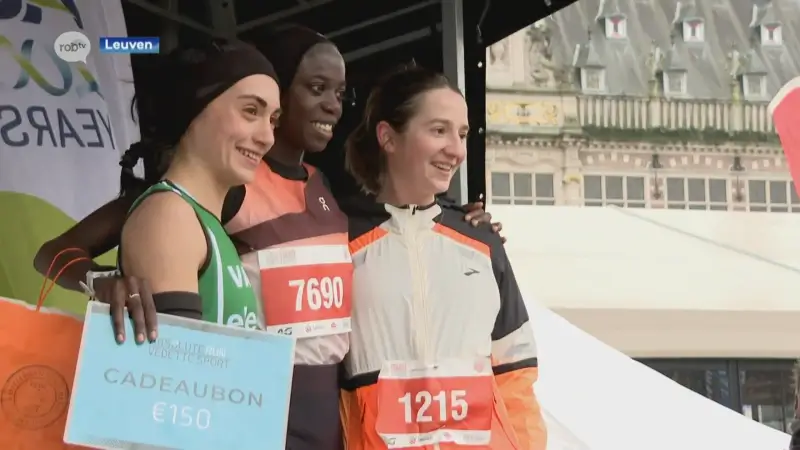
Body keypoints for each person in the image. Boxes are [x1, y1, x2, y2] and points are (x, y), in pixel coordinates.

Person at [32, 25, 500, 450]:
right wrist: (99, 281)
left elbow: (389, 228)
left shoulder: (324, 187)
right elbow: (61, 250)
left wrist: (460, 221)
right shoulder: (218, 189)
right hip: (251, 415)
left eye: (340, 92)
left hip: (329, 423)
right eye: (315, 88)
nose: (332, 104)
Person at [339, 65, 547, 449]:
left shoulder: (483, 243)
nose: (456, 150)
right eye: (439, 130)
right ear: (388, 137)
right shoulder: (338, 241)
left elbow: (517, 374)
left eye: (462, 134)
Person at [117, 40, 281, 327]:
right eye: (251, 111)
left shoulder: (199, 218)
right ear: (194, 110)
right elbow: (176, 366)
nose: (267, 137)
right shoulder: (170, 215)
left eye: (273, 120)